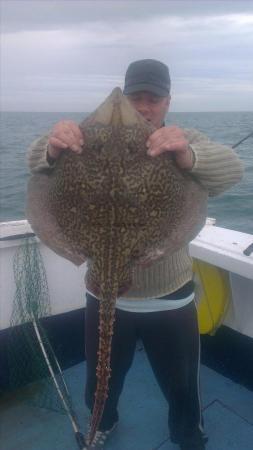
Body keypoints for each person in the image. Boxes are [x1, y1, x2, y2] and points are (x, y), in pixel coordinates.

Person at [28, 59, 243, 450]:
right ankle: (101, 422)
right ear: (125, 99)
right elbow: (35, 164)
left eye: (154, 99)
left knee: (180, 381)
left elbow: (232, 171)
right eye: (135, 98)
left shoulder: (183, 138)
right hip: (103, 289)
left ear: (167, 102)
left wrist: (188, 155)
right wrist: (51, 146)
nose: (144, 108)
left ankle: (187, 433)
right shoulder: (82, 139)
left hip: (170, 297)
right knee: (101, 374)